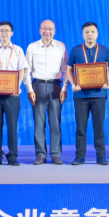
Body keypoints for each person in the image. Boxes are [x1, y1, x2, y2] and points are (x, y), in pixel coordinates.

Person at [0, 21, 28, 167]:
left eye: (7, 30)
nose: (4, 33)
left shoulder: (18, 50)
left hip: (12, 95)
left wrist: (17, 87)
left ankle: (12, 156)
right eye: (1, 30)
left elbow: (22, 70)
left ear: (12, 33)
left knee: (12, 126)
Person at [67, 21, 109, 165]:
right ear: (83, 34)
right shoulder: (75, 50)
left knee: (99, 127)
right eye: (87, 32)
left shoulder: (104, 50)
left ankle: (101, 156)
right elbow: (69, 69)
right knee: (81, 128)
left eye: (92, 32)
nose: (90, 35)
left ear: (97, 34)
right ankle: (79, 156)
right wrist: (73, 84)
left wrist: (106, 80)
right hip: (80, 95)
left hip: (99, 95)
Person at [25, 19, 68, 165]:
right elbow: (27, 70)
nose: (47, 31)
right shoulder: (32, 47)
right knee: (39, 123)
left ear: (54, 31)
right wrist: (29, 90)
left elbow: (66, 70)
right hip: (37, 86)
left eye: (50, 29)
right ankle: (40, 155)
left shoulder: (61, 46)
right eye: (44, 28)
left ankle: (55, 154)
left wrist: (64, 88)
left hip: (55, 86)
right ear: (40, 30)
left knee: (55, 122)